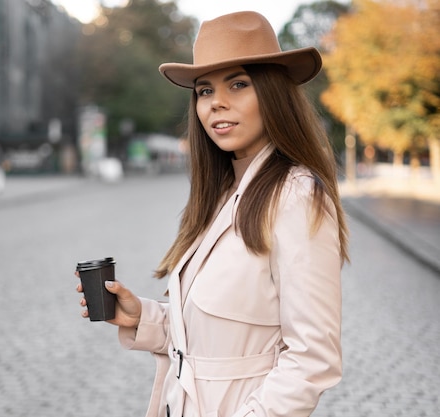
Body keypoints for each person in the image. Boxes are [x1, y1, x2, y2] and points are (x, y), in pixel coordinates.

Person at [75, 11, 349, 417]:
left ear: (273, 92)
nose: (216, 102)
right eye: (204, 90)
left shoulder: (296, 195)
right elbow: (219, 337)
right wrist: (143, 315)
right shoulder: (221, 193)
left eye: (238, 84)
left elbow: (312, 361)